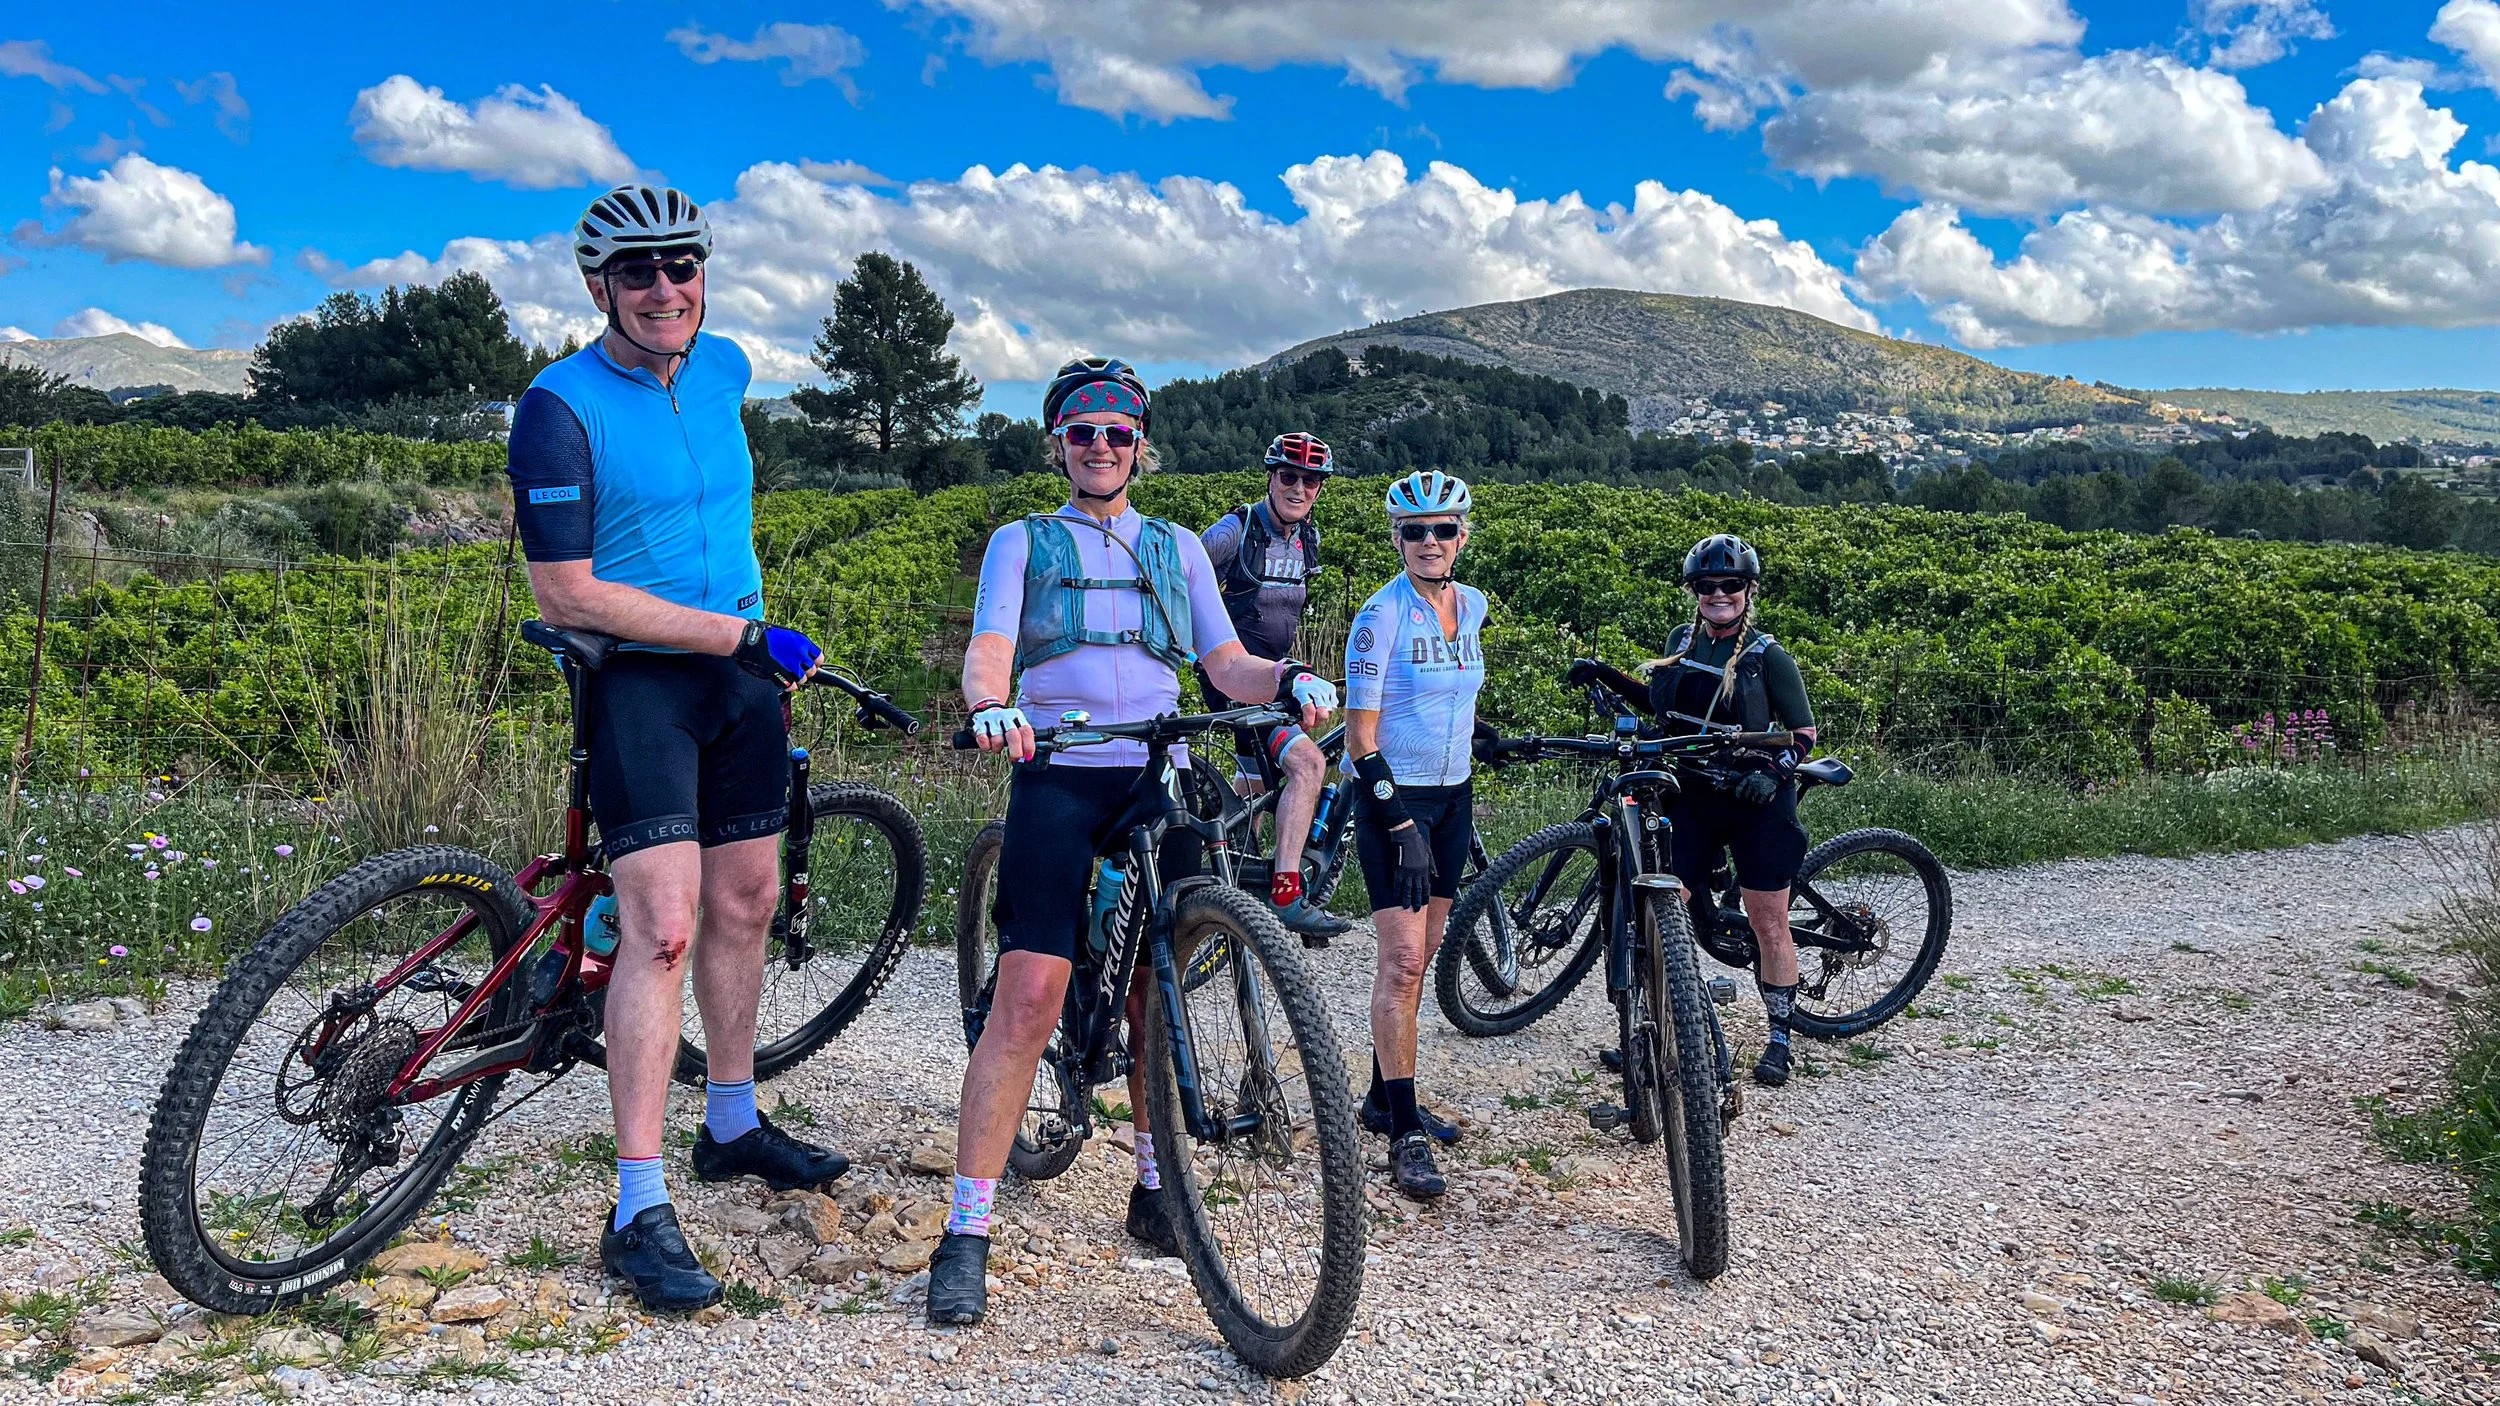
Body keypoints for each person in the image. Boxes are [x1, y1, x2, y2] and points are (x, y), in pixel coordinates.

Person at [931, 357, 1338, 1327]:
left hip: (1154, 769)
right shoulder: (1021, 542)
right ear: (1058, 444)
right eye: (1083, 432)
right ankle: (966, 1228)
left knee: (1166, 975)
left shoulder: (1177, 549)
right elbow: (991, 648)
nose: (1102, 446)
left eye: (1118, 432)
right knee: (1031, 993)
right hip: (1058, 768)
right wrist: (991, 704)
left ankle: (1155, 1184)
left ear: (1140, 445)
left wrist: (1287, 678)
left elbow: (1226, 662)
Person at [502, 184, 851, 1314]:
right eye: (638, 272)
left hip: (742, 678)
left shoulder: (727, 366)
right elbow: (566, 589)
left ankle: (733, 1121)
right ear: (597, 285)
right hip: (642, 681)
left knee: (746, 900)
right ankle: (636, 1206)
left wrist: (745, 640)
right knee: (660, 928)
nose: (665, 289)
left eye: (682, 266)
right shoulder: (555, 406)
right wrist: (739, 632)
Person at [1568, 533, 1819, 1087]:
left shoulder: (1767, 658)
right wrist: (1604, 673)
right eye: (1707, 587)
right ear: (1696, 593)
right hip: (1695, 795)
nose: (1719, 594)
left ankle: (1780, 1036)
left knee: (1768, 919)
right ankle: (1661, 1029)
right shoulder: (1683, 641)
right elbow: (1662, 709)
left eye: (1730, 585)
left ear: (1748, 591)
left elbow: (1804, 734)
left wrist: (1772, 774)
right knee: (1665, 908)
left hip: (1756, 800)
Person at [1343, 469, 1487, 1200]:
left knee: (1425, 954)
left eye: (1443, 529)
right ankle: (1403, 1134)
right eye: (1414, 531)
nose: (1429, 542)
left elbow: (1451, 698)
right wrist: (1400, 823)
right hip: (1392, 803)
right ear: (1397, 538)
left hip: (1454, 799)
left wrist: (1481, 737)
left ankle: (1381, 1096)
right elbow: (1361, 738)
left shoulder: (1475, 606)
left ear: (1462, 535)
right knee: (1400, 965)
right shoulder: (1381, 617)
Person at [1197, 431, 1348, 943]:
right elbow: (1184, 578)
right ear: (1271, 477)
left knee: (1259, 785)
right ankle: (1286, 894)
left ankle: (1235, 885)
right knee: (1308, 764)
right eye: (1289, 476)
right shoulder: (1235, 531)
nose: (1299, 488)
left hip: (1279, 675)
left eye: (1311, 480)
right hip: (1237, 679)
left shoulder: (1308, 538)